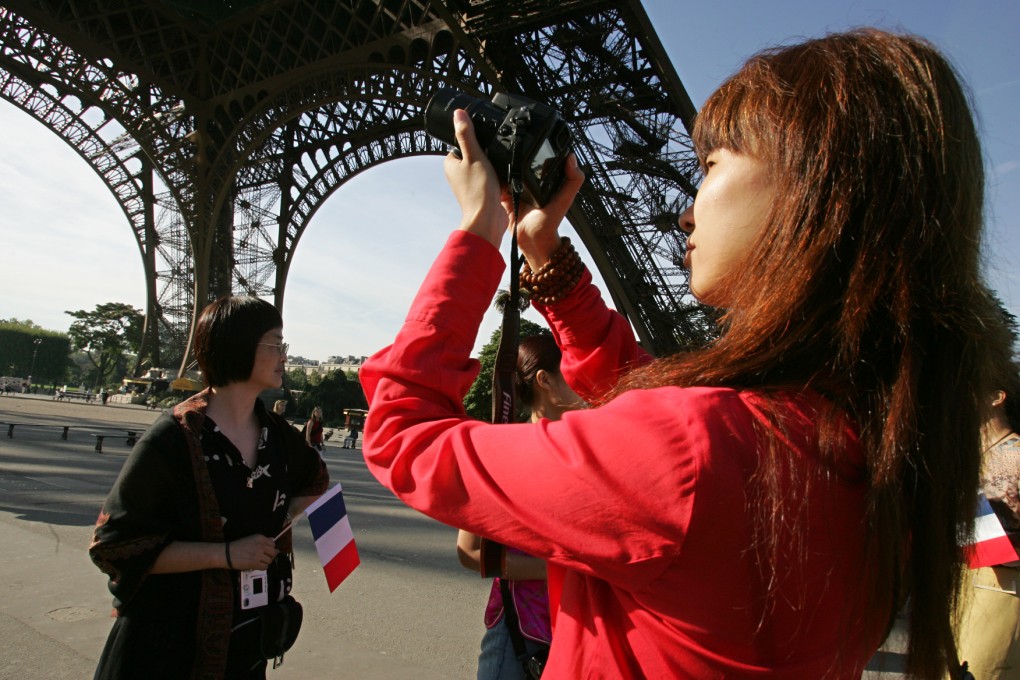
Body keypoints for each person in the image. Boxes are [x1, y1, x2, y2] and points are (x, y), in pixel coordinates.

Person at [359, 29, 1008, 679]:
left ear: (818, 190)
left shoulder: (695, 455)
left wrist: (478, 234)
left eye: (712, 166)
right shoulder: (861, 448)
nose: (685, 214)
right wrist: (547, 257)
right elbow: (674, 423)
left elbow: (402, 436)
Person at [89, 295, 329, 679]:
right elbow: (116, 547)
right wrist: (228, 554)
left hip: (245, 645)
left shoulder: (280, 436)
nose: (284, 355)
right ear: (238, 344)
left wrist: (276, 523)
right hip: (164, 650)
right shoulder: (172, 439)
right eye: (276, 343)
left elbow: (316, 481)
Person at [457, 334, 585, 680]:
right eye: (574, 371)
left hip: (585, 628)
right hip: (524, 632)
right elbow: (469, 551)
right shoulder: (502, 452)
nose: (588, 380)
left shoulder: (594, 451)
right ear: (545, 381)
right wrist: (563, 569)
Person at [956, 362, 1020, 678]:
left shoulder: (1012, 454)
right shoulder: (979, 453)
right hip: (970, 592)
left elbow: (1004, 542)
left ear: (997, 396)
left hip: (1001, 597)